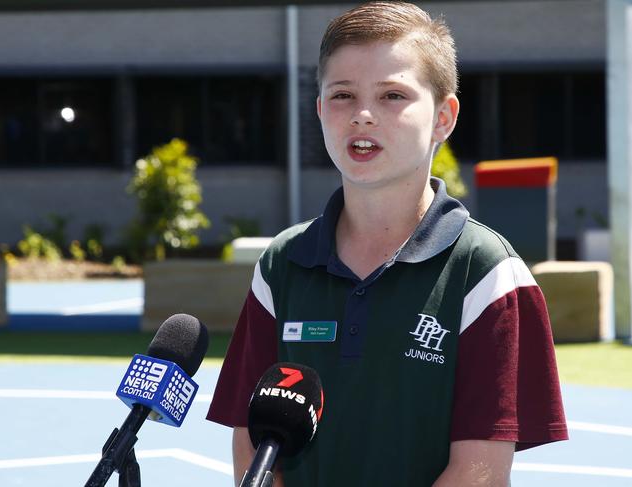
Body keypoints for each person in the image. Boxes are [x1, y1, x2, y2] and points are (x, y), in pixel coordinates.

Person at [207, 2, 568, 486]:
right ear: (319, 110)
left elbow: (479, 470)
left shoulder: (488, 274)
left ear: (443, 117)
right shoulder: (282, 263)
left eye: (393, 95)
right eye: (342, 95)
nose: (361, 115)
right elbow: (250, 442)